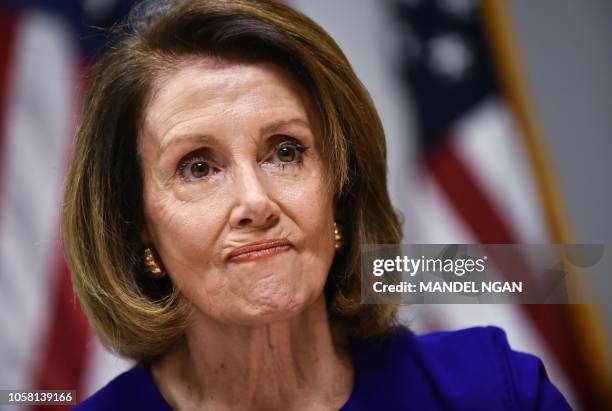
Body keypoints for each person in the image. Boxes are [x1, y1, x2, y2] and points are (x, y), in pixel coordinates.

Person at [62, 0, 571, 410]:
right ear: (138, 226)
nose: (255, 202)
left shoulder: (493, 389)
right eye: (198, 167)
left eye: (286, 152)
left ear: (339, 189)